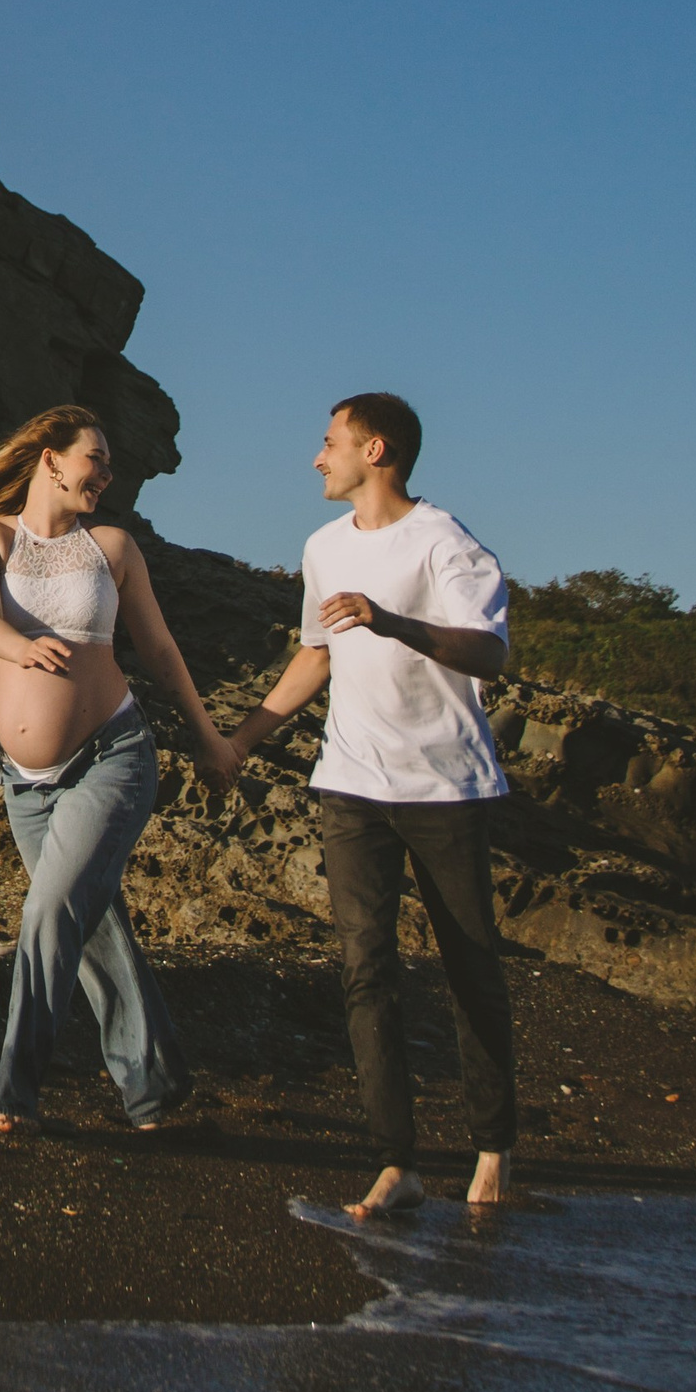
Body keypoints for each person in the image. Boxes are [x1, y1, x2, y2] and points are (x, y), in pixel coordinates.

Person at [222, 393, 517, 1214]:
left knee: (470, 970)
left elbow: (490, 652)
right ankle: (397, 1163)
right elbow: (314, 659)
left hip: (448, 788)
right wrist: (239, 744)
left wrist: (392, 621)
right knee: (366, 971)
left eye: (329, 443)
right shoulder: (321, 548)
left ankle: (493, 1151)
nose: (318, 459)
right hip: (350, 785)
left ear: (374, 450)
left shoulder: (446, 543)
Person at [0, 403, 234, 1137]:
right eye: (95, 459)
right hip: (22, 780)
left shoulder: (112, 547)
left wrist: (211, 740)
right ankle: (155, 1087)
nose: (105, 475)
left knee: (49, 913)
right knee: (91, 920)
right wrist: (19, 647)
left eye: (108, 464)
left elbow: (163, 651)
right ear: (49, 457)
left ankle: (13, 1090)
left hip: (113, 755)